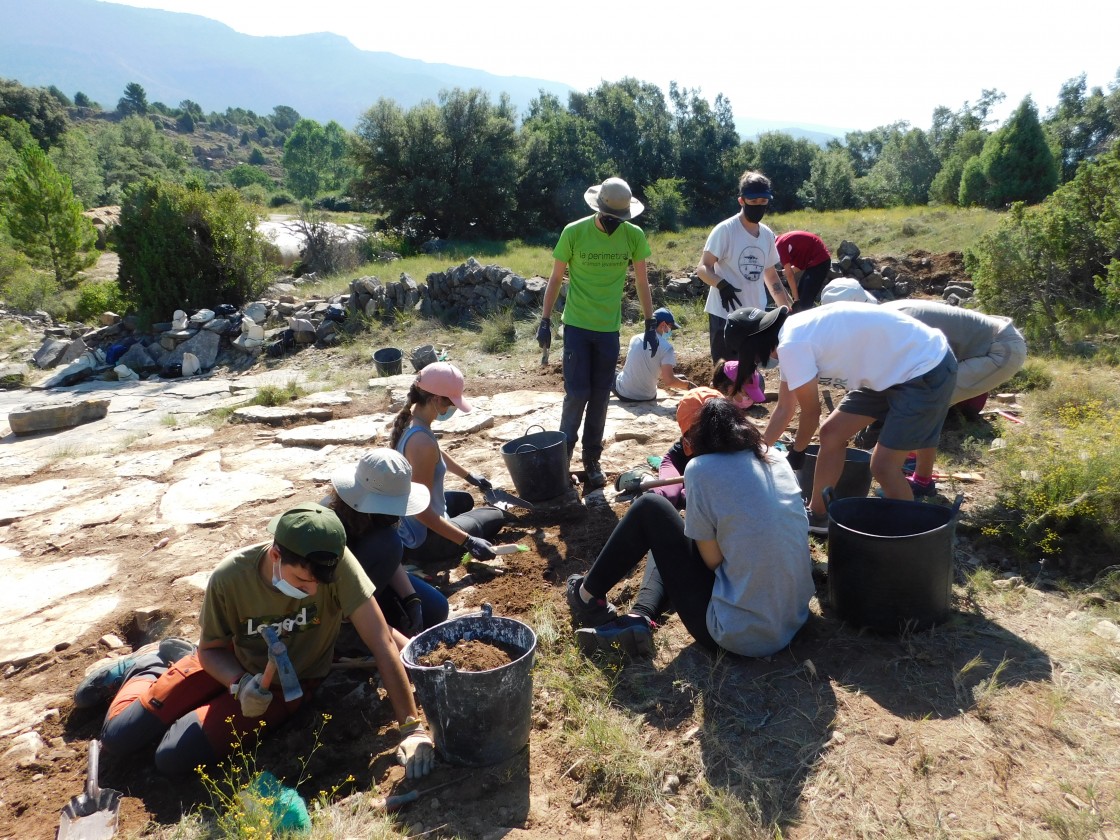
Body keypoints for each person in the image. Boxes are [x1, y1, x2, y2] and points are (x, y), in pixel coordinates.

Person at [84, 503, 435, 778]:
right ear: (276, 556)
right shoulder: (231, 576)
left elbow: (381, 642)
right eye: (301, 582)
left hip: (285, 687)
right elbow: (212, 651)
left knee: (171, 758)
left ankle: (173, 670)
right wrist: (238, 683)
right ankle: (147, 666)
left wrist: (411, 727)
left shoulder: (339, 566)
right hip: (229, 665)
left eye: (318, 585)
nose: (311, 592)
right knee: (118, 737)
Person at [566, 398, 813, 658]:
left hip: (739, 637)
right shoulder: (774, 456)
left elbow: (712, 561)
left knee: (651, 507)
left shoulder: (699, 468)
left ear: (690, 443)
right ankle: (641, 615)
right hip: (793, 617)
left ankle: (586, 596)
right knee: (670, 531)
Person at [724, 304, 957, 534]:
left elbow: (811, 412)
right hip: (890, 370)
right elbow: (785, 407)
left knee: (884, 466)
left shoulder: (793, 343)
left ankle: (911, 538)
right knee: (831, 433)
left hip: (924, 368)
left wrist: (797, 452)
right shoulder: (790, 337)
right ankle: (818, 514)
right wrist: (758, 451)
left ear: (754, 346)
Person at [538, 176, 655, 488]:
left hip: (608, 329)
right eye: (610, 217)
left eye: (620, 218)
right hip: (577, 325)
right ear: (599, 210)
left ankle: (591, 458)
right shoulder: (574, 232)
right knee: (577, 393)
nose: (615, 223)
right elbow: (555, 278)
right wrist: (545, 320)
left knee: (601, 395)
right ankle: (563, 458)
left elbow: (643, 282)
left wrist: (650, 322)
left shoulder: (633, 236)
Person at [881, 299, 1027, 495]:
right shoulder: (885, 314)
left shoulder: (893, 322)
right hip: (993, 342)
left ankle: (919, 477)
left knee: (928, 400)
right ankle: (914, 464)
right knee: (928, 400)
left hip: (1001, 349)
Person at [389, 361, 506, 564]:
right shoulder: (421, 442)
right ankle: (446, 544)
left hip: (407, 525)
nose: (453, 407)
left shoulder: (412, 421)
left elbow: (437, 452)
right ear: (436, 400)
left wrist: (469, 476)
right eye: (451, 402)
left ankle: (452, 526)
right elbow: (420, 510)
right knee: (495, 514)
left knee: (465, 500)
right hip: (423, 542)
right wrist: (468, 541)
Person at [326, 448, 449, 636]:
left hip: (371, 583)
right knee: (389, 543)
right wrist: (391, 640)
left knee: (436, 609)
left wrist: (411, 599)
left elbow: (387, 561)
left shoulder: (372, 518)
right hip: (337, 606)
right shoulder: (331, 526)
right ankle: (349, 638)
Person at [695, 170, 793, 365]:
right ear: (742, 201)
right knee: (728, 374)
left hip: (756, 316)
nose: (758, 206)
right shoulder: (726, 230)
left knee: (750, 373)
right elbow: (703, 268)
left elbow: (771, 277)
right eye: (753, 201)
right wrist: (721, 284)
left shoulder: (766, 235)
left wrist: (788, 309)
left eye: (763, 202)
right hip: (726, 315)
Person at [648, 386, 723, 510]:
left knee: (690, 498)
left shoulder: (733, 437)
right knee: (667, 496)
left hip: (699, 470)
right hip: (679, 462)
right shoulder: (692, 438)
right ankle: (644, 476)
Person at [612, 306, 693, 402]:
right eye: (670, 327)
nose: (670, 331)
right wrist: (687, 385)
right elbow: (669, 381)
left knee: (610, 372)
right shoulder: (667, 348)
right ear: (663, 324)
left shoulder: (635, 338)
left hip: (624, 393)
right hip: (648, 397)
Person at [776, 231, 833, 313]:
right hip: (816, 261)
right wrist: (781, 273)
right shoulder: (782, 240)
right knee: (800, 294)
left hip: (820, 262)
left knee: (804, 303)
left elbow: (790, 275)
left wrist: (796, 300)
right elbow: (798, 267)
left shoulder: (779, 246)